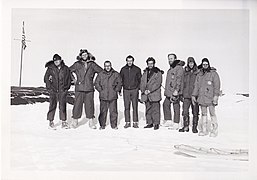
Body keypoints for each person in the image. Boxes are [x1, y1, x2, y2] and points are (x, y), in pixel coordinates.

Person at [69, 49, 103, 129]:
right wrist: (73, 79)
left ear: (88, 55)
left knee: (89, 105)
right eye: (83, 55)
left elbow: (101, 72)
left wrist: (95, 80)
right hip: (79, 88)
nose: (84, 56)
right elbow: (68, 71)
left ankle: (91, 121)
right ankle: (75, 121)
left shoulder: (92, 64)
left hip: (89, 88)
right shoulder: (77, 64)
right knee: (77, 105)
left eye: (85, 55)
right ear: (80, 56)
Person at [192, 58, 221, 137]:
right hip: (202, 98)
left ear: (208, 64)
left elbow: (217, 86)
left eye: (206, 64)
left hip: (210, 98)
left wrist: (216, 96)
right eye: (203, 64)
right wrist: (194, 95)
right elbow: (196, 86)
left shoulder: (213, 74)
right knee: (203, 114)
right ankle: (204, 130)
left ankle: (214, 130)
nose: (205, 66)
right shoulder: (199, 74)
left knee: (212, 114)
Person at [44, 54, 71, 130]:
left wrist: (66, 87)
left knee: (62, 106)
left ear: (61, 60)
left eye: (58, 60)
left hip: (62, 91)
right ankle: (51, 122)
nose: (56, 62)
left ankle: (63, 122)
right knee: (52, 106)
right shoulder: (50, 68)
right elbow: (46, 78)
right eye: (55, 61)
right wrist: (49, 88)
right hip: (53, 91)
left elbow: (69, 78)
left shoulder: (65, 68)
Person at [94, 61, 122, 130]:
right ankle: (102, 125)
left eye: (109, 66)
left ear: (111, 66)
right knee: (103, 111)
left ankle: (114, 125)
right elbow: (96, 83)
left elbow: (120, 83)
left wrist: (116, 90)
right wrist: (101, 90)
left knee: (113, 111)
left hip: (113, 96)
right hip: (103, 96)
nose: (107, 67)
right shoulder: (100, 74)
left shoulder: (115, 74)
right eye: (106, 66)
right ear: (104, 66)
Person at [163, 53, 185, 130]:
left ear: (175, 59)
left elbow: (179, 80)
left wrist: (176, 90)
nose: (169, 60)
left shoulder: (179, 68)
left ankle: (176, 123)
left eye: (171, 58)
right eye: (169, 59)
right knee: (166, 104)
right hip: (169, 91)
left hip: (175, 91)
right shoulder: (171, 68)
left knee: (176, 106)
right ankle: (169, 120)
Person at [140, 57, 163, 130]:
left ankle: (156, 123)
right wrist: (143, 90)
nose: (150, 65)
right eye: (149, 63)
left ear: (154, 64)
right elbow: (142, 82)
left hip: (154, 93)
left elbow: (158, 83)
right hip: (146, 94)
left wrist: (150, 90)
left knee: (155, 109)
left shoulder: (157, 72)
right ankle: (149, 122)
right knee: (148, 109)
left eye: (151, 63)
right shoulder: (145, 72)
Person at [120, 55, 142, 128]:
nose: (129, 62)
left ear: (133, 61)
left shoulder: (137, 69)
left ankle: (135, 122)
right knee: (126, 106)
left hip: (134, 90)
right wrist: (120, 89)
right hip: (126, 90)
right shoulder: (123, 69)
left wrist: (138, 88)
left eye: (131, 61)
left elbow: (140, 80)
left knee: (135, 106)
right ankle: (127, 122)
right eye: (128, 61)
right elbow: (120, 80)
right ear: (126, 61)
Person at [179, 57, 200, 133]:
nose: (191, 64)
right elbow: (182, 83)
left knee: (195, 112)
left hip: (194, 95)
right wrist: (181, 93)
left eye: (192, 63)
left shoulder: (197, 72)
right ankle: (186, 126)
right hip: (186, 95)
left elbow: (199, 84)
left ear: (194, 63)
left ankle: (194, 127)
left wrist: (197, 94)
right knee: (185, 111)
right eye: (189, 63)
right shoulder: (185, 72)